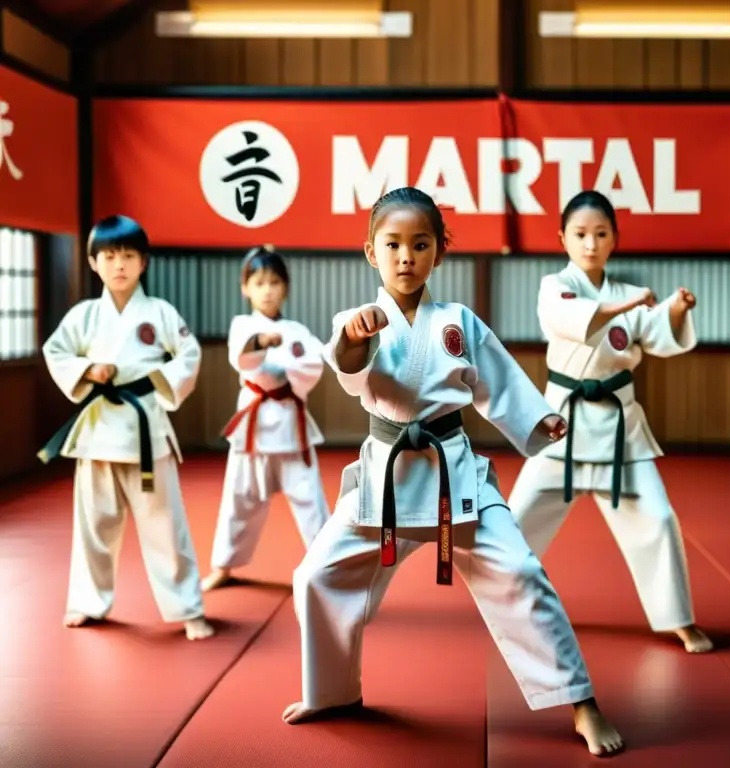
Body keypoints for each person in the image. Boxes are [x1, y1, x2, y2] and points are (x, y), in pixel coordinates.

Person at [282, 186, 624, 757]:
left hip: (453, 475)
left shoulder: (458, 321)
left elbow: (499, 379)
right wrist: (353, 341)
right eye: (392, 244)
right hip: (384, 480)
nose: (405, 257)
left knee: (519, 570)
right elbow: (344, 363)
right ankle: (333, 690)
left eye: (420, 244)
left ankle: (581, 702)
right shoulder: (358, 319)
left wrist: (539, 421)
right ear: (371, 252)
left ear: (439, 252)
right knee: (315, 575)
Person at [506, 190, 713, 654]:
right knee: (516, 521)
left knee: (658, 519)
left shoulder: (626, 294)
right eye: (581, 235)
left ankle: (678, 618)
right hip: (563, 423)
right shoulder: (553, 285)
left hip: (620, 429)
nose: (591, 244)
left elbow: (658, 332)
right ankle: (503, 604)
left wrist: (675, 310)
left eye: (601, 235)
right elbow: (572, 318)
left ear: (615, 239)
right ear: (563, 238)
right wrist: (635, 305)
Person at [38, 214, 214, 640]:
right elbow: (56, 350)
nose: (119, 264)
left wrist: (158, 381)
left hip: (146, 430)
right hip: (98, 432)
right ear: (94, 263)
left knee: (165, 527)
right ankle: (87, 602)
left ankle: (187, 607)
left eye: (129, 255)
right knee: (94, 525)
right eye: (109, 255)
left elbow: (188, 355)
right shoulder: (84, 315)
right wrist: (86, 369)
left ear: (144, 262)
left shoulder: (159, 312)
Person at [202, 246, 331, 592]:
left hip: (291, 424)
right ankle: (224, 565)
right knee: (239, 498)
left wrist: (277, 371)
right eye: (259, 282)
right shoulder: (242, 326)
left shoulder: (298, 331)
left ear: (285, 287)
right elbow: (244, 360)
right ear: (245, 288)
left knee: (311, 500)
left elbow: (314, 366)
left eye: (275, 282)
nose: (268, 289)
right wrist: (260, 344)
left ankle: (328, 567)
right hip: (254, 429)